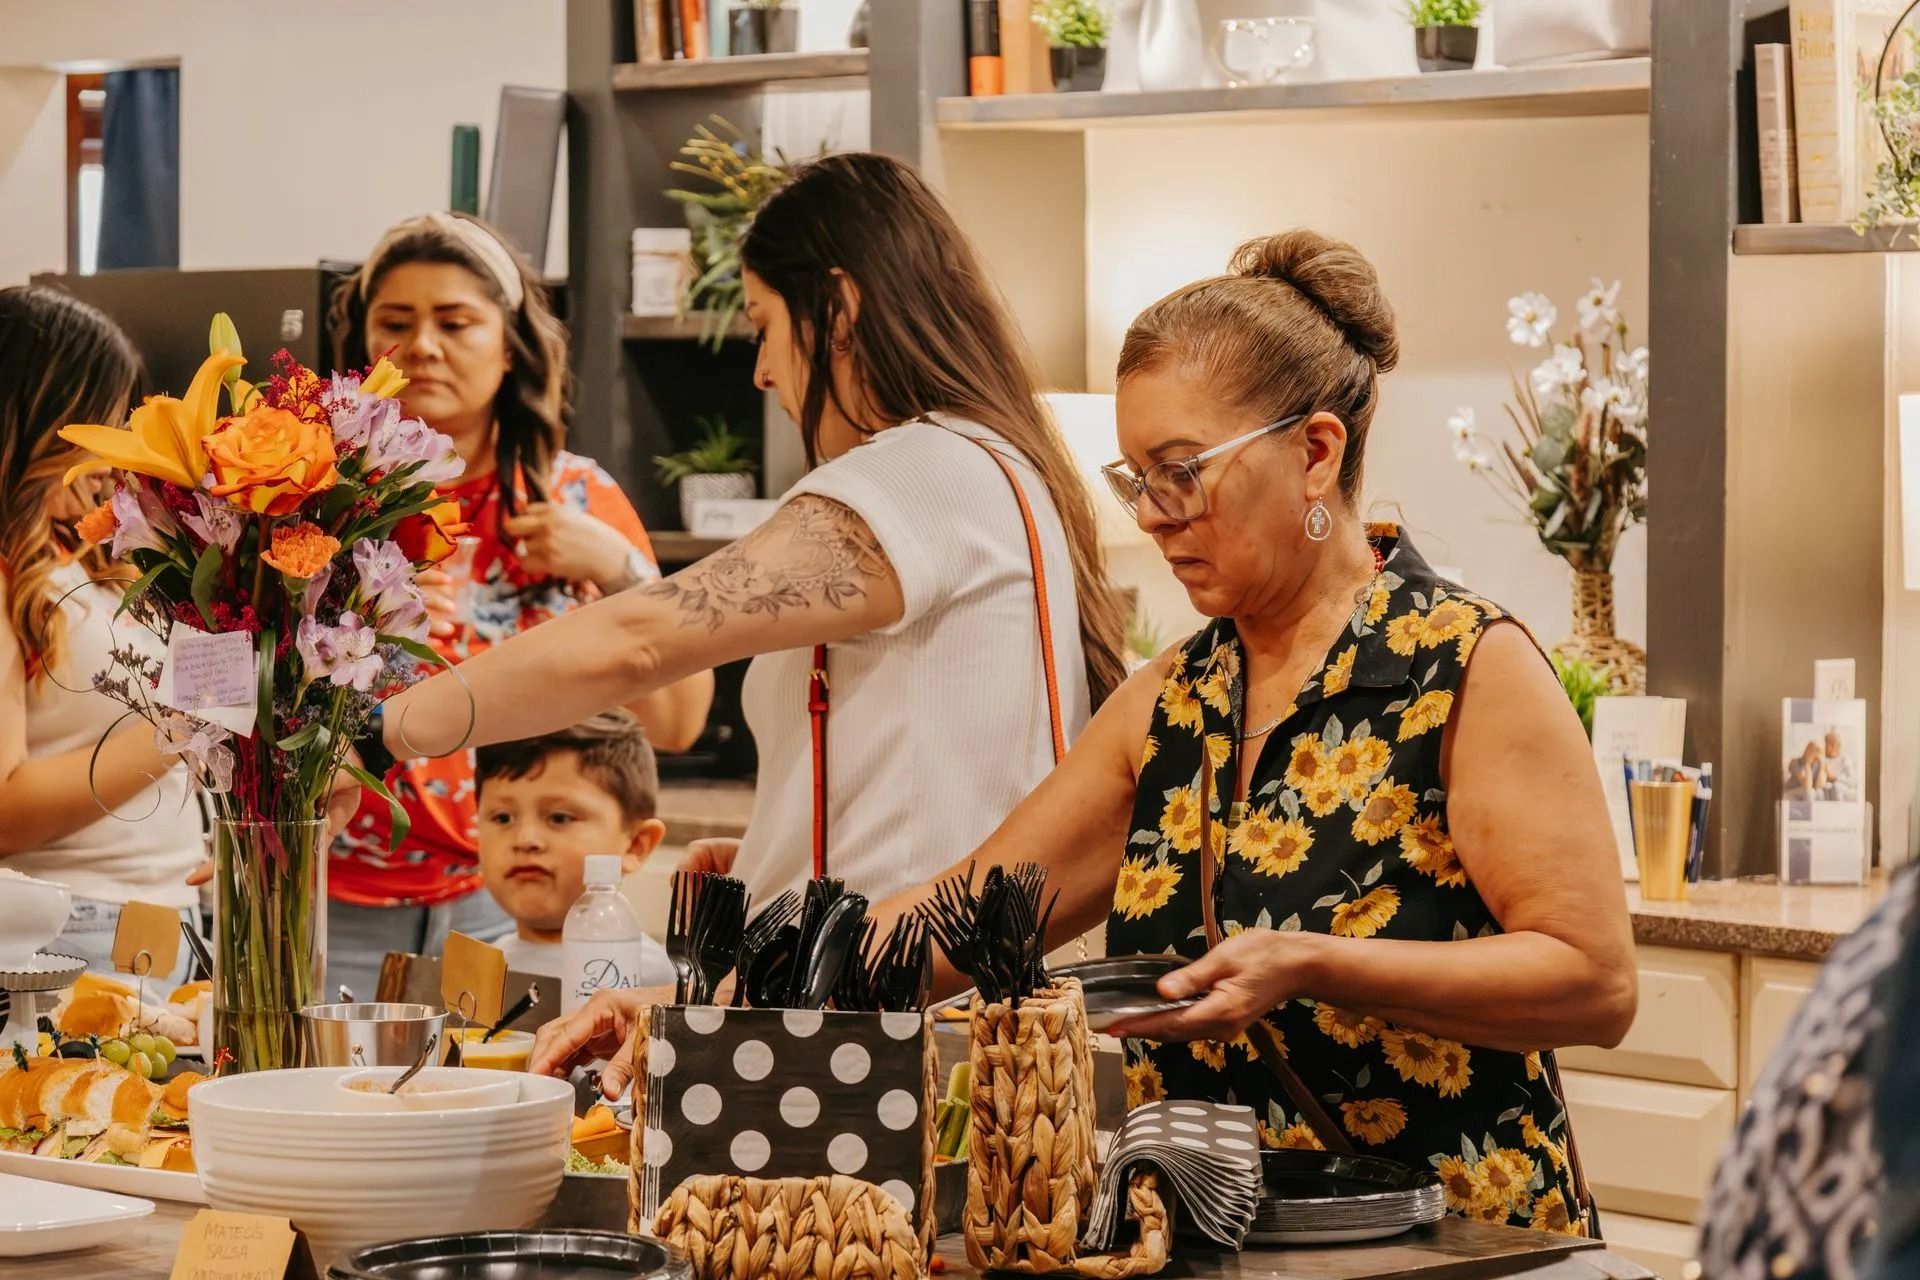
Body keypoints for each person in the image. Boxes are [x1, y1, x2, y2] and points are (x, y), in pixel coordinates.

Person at [529, 230, 1639, 1237]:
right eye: (1136, 478)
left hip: (1457, 1242)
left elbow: (1591, 980)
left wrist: (1311, 962)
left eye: (1183, 471)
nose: (1154, 514)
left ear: (1315, 451)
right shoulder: (1172, 702)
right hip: (1216, 1240)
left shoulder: (1466, 665)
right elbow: (947, 922)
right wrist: (698, 1006)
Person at [360, 154, 1128, 913]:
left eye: (763, 327)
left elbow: (641, 641)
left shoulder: (923, 472)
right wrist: (774, 853)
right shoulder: (984, 464)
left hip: (884, 1013)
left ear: (839, 310)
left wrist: (379, 732)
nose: (760, 371)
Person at [323, 212, 713, 998]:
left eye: (455, 322)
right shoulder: (316, 506)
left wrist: (618, 566)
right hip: (339, 899)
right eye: (395, 323)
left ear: (510, 345)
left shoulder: (578, 499)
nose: (422, 346)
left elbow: (678, 724)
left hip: (517, 903)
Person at [0, 285, 201, 977]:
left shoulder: (77, 557)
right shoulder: (6, 576)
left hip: (164, 921)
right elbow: (3, 808)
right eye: (104, 423)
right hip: (75, 926)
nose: (116, 456)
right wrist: (188, 714)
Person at [472, 709, 674, 984]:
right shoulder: (475, 972)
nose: (525, 840)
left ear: (636, 845)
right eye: (503, 818)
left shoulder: (659, 985)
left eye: (560, 818)